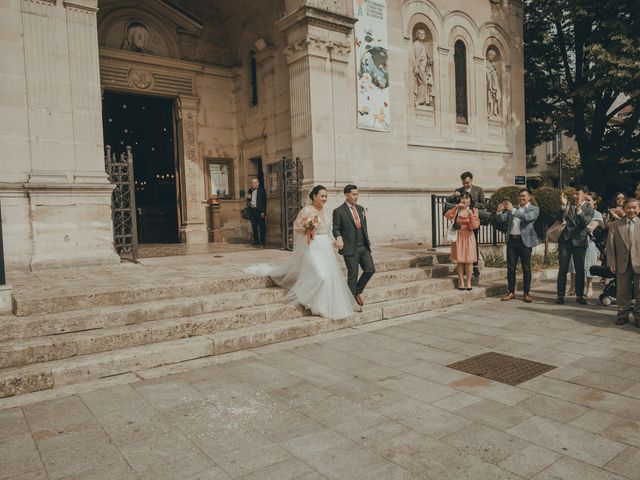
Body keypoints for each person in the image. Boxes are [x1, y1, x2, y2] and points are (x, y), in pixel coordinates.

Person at [245, 186, 359, 320]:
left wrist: (334, 241)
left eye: (326, 196)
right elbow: (297, 227)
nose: (325, 199)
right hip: (312, 247)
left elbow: (328, 231)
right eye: (322, 196)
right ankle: (307, 298)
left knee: (328, 278)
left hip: (326, 248)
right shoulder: (306, 211)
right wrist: (308, 228)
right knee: (321, 276)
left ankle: (321, 306)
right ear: (314, 196)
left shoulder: (327, 211)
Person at [332, 184, 376, 307]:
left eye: (357, 194)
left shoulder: (361, 209)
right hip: (350, 248)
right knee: (353, 275)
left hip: (363, 247)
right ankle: (351, 303)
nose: (356, 197)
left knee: (370, 269)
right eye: (354, 194)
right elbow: (336, 229)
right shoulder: (338, 211)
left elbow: (364, 227)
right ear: (346, 195)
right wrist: (339, 239)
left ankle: (357, 291)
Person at [496, 188, 540, 303]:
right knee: (510, 268)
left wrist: (513, 210)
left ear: (529, 197)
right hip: (511, 240)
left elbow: (527, 218)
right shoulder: (514, 208)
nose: (521, 198)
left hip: (524, 241)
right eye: (520, 196)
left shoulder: (534, 209)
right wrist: (499, 212)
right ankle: (511, 292)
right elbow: (502, 219)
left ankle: (526, 293)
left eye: (524, 196)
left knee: (526, 268)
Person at [555, 186, 595, 305]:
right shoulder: (568, 204)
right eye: (574, 194)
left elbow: (586, 222)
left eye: (577, 193)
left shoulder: (589, 208)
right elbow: (557, 219)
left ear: (585, 195)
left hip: (580, 241)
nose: (575, 196)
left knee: (580, 269)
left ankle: (579, 295)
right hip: (565, 241)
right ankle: (560, 295)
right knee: (563, 268)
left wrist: (579, 211)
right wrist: (562, 206)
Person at [606, 198, 640, 326]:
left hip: (639, 264)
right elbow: (610, 246)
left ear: (639, 209)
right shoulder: (616, 225)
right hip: (622, 263)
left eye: (634, 208)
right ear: (624, 209)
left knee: (639, 290)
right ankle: (622, 314)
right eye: (629, 208)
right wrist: (612, 262)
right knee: (622, 291)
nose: (631, 210)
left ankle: (638, 316)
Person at [566, 193, 604, 298]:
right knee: (573, 264)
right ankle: (572, 287)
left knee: (588, 265)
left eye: (589, 200)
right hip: (576, 240)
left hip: (589, 242)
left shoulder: (597, 214)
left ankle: (589, 287)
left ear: (594, 201)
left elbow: (590, 228)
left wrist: (582, 223)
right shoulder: (576, 209)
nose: (586, 202)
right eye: (585, 199)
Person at [448, 172, 485, 276]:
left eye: (467, 182)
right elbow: (449, 202)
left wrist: (471, 203)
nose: (465, 185)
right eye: (464, 183)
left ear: (472, 180)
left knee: (474, 244)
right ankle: (463, 266)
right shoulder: (459, 190)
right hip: (460, 222)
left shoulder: (479, 190)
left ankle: (475, 265)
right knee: (461, 246)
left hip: (472, 220)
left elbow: (484, 204)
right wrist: (453, 196)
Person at [445, 192, 480, 290]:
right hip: (458, 236)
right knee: (459, 261)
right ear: (460, 200)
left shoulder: (474, 210)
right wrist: (455, 207)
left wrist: (471, 214)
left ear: (470, 200)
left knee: (469, 261)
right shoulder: (457, 210)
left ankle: (468, 282)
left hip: (469, 236)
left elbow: (475, 226)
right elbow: (448, 216)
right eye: (462, 198)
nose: (464, 200)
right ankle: (461, 281)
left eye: (467, 198)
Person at [246, 178, 266, 247]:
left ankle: (262, 242)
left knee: (261, 227)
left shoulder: (261, 190)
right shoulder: (250, 190)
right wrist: (248, 198)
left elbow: (264, 201)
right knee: (254, 227)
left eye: (254, 182)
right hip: (252, 210)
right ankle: (256, 241)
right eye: (252, 183)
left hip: (259, 211)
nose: (252, 184)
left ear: (258, 183)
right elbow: (248, 200)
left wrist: (263, 211)